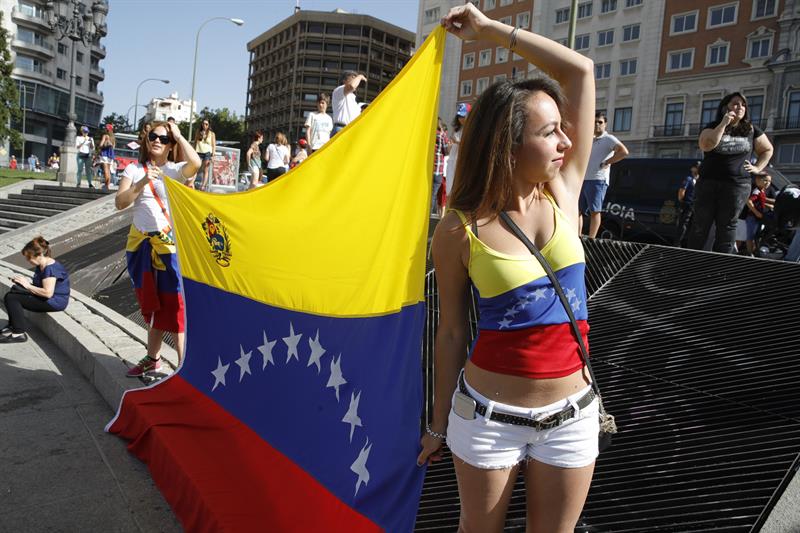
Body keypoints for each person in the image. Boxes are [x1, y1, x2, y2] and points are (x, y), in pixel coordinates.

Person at [418, 5, 599, 532]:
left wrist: (492, 31)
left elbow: (581, 71)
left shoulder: (565, 194)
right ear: (511, 143)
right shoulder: (458, 230)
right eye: (550, 133)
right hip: (488, 420)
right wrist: (437, 424)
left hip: (574, 415)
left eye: (565, 131)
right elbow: (450, 331)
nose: (567, 142)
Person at [115, 121, 200, 377]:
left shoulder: (174, 170)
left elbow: (195, 163)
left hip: (168, 247)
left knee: (175, 305)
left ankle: (185, 366)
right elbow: (120, 202)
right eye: (154, 136)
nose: (157, 141)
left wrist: (179, 135)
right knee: (152, 306)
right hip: (140, 247)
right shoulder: (133, 169)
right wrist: (141, 183)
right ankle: (153, 358)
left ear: (171, 145)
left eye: (164, 139)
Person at [687, 93, 774, 254]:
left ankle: (721, 267)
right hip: (708, 183)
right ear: (725, 107)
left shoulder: (751, 129)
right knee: (701, 224)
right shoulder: (712, 126)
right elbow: (707, 145)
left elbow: (767, 149)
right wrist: (724, 124)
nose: (740, 107)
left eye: (743, 104)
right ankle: (691, 263)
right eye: (735, 104)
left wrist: (757, 168)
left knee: (727, 226)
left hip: (737, 185)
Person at [1, 236, 70, 344]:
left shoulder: (50, 269)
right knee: (13, 293)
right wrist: (22, 284)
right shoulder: (41, 265)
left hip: (54, 302)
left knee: (12, 298)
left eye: (29, 258)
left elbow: (48, 293)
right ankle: (13, 325)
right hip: (47, 298)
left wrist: (27, 285)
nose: (28, 261)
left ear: (39, 255)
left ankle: (18, 333)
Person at [579, 112, 629, 238]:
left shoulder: (609, 139)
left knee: (595, 211)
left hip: (598, 179)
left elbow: (624, 152)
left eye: (600, 122)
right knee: (578, 211)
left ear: (605, 124)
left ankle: (591, 239)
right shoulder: (589, 138)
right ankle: (577, 236)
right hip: (584, 179)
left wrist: (607, 162)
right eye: (595, 122)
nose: (597, 124)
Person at [446, 103, 471, 200]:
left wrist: (457, 142)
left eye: (463, 116)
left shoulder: (470, 129)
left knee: (459, 190)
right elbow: (450, 148)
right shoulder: (457, 129)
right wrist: (450, 145)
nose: (461, 119)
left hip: (463, 163)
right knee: (450, 190)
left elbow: (469, 145)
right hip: (453, 161)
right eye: (459, 116)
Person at [743, 172, 772, 254]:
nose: (768, 183)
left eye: (769, 181)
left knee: (756, 236)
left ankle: (754, 252)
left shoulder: (762, 191)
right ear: (757, 180)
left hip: (759, 217)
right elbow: (749, 201)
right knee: (750, 237)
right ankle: (750, 253)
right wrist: (756, 212)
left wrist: (768, 205)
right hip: (753, 217)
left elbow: (759, 201)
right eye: (765, 180)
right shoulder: (756, 191)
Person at [331, 71, 367, 135]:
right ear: (344, 80)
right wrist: (360, 76)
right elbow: (352, 86)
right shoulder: (339, 90)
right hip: (341, 129)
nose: (356, 80)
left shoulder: (353, 98)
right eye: (353, 77)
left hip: (350, 130)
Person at [675, 163, 699, 247]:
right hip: (687, 204)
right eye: (696, 167)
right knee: (683, 224)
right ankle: (678, 243)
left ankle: (690, 243)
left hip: (695, 206)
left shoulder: (699, 180)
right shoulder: (688, 179)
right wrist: (682, 201)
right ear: (692, 169)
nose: (698, 169)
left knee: (693, 226)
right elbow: (682, 191)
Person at [432, 117, 449, 216]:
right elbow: (446, 151)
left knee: (429, 194)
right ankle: (429, 217)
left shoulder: (427, 132)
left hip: (428, 168)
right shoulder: (440, 134)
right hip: (438, 169)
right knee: (434, 194)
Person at [194, 118, 216, 190]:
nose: (204, 125)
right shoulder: (198, 131)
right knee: (196, 168)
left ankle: (203, 186)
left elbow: (213, 145)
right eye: (203, 123)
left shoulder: (212, 134)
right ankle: (192, 182)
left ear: (209, 125)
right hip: (198, 152)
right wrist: (193, 151)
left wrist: (213, 156)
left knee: (205, 170)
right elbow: (195, 142)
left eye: (206, 124)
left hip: (207, 153)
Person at [98, 124, 115, 189]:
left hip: (105, 153)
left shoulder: (105, 136)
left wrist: (102, 145)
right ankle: (107, 185)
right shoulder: (113, 137)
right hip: (111, 154)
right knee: (108, 170)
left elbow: (101, 145)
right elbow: (113, 147)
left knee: (105, 170)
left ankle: (106, 185)